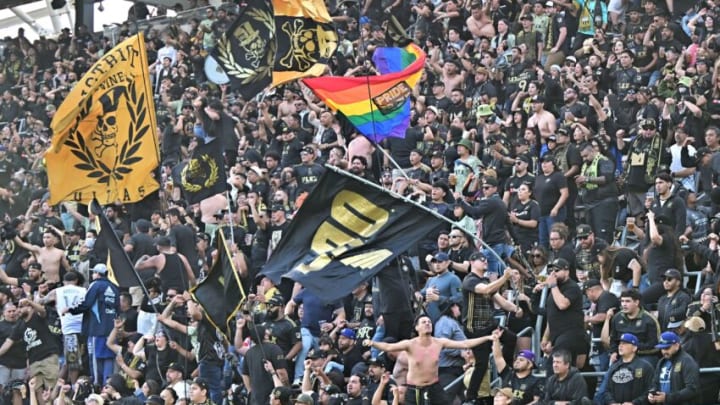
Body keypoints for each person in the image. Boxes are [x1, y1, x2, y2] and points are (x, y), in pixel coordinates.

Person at [362, 315, 494, 405]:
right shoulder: (410, 344)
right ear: (417, 328)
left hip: (434, 387)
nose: (427, 324)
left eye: (429, 322)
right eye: (424, 322)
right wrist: (372, 343)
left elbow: (465, 344)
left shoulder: (439, 342)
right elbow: (389, 346)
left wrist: (487, 338)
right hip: (414, 389)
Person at [461, 251, 518, 404]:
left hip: (489, 325)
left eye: (486, 260)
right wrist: (504, 278)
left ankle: (507, 373)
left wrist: (515, 308)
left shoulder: (486, 281)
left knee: (511, 338)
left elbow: (500, 300)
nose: (485, 262)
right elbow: (485, 290)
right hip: (475, 328)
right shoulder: (469, 280)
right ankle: (470, 397)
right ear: (472, 262)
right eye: (481, 259)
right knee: (482, 363)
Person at [66, 263, 119, 385]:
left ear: (97, 273)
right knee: (109, 358)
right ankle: (109, 386)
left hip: (96, 329)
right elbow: (117, 310)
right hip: (112, 331)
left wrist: (70, 309)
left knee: (95, 359)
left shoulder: (95, 285)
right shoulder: (115, 288)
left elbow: (86, 304)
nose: (92, 274)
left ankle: (97, 385)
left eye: (94, 272)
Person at [539, 258, 588, 368]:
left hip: (571, 334)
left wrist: (553, 286)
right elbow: (551, 316)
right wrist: (546, 338)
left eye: (556, 270)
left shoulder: (572, 287)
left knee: (556, 367)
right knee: (553, 369)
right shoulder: (554, 290)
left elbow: (562, 305)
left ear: (567, 271)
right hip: (558, 336)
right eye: (550, 271)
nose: (553, 274)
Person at [490, 329, 543, 404]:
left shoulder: (535, 381)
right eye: (516, 359)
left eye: (521, 360)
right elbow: (498, 357)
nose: (517, 361)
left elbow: (537, 401)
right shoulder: (508, 374)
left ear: (530, 364)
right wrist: (496, 340)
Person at [647, 331, 700, 404]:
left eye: (667, 348)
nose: (664, 351)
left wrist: (667, 398)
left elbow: (692, 389)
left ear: (677, 345)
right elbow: (655, 383)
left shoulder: (687, 361)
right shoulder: (661, 362)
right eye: (662, 348)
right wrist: (652, 395)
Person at [601, 333, 654, 405]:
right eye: (619, 343)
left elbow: (650, 390)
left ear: (634, 348)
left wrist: (634, 403)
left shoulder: (645, 367)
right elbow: (606, 390)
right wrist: (611, 402)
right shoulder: (613, 367)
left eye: (625, 343)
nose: (620, 346)